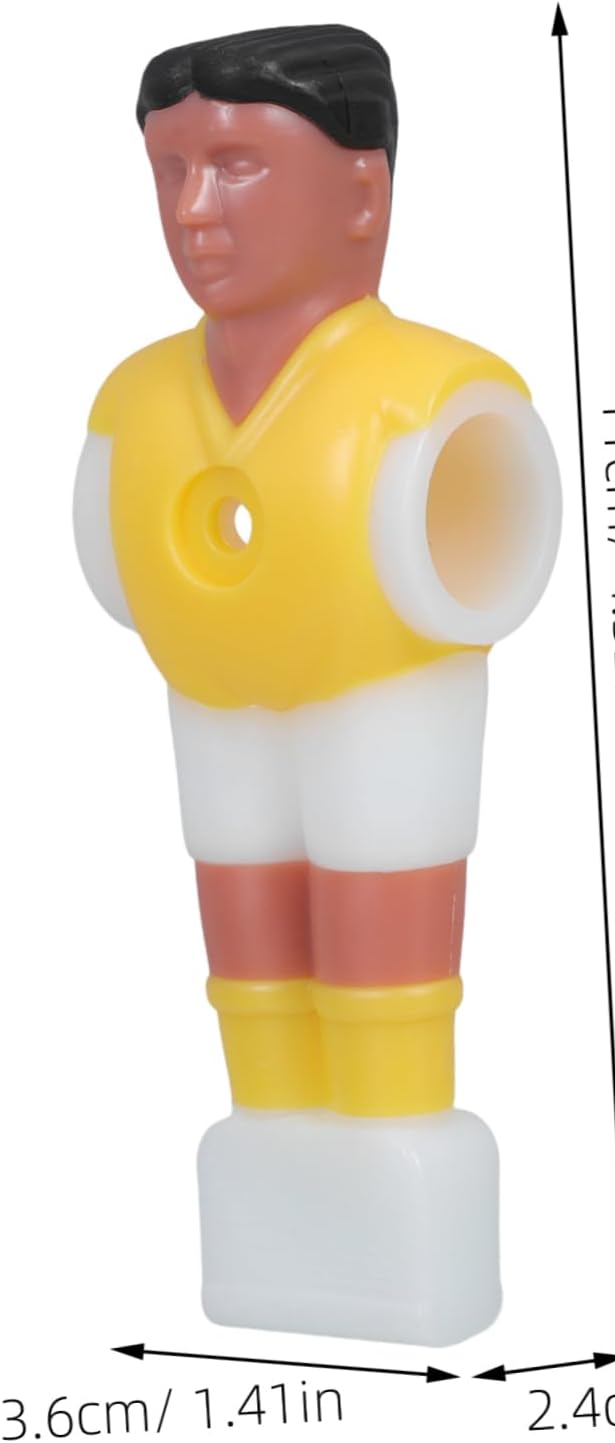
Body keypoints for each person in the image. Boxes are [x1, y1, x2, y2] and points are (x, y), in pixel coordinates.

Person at [73, 23, 561, 1344]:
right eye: (169, 168)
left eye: (236, 165)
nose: (193, 211)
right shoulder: (134, 406)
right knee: (248, 949)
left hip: (385, 722)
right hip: (216, 718)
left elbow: (490, 557)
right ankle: (276, 1138)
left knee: (382, 931)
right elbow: (118, 570)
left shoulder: (434, 397)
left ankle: (395, 1145)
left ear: (362, 193)